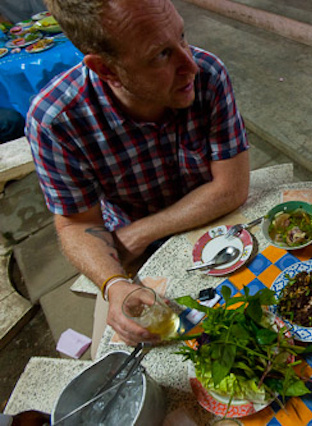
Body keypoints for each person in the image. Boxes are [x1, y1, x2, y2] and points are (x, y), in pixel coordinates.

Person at [26, 0, 250, 346]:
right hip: (129, 250)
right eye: (161, 55)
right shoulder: (56, 121)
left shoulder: (208, 74)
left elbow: (231, 189)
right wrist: (114, 285)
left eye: (182, 36)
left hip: (208, 223)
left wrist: (138, 233)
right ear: (107, 69)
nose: (190, 65)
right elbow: (76, 224)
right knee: (133, 340)